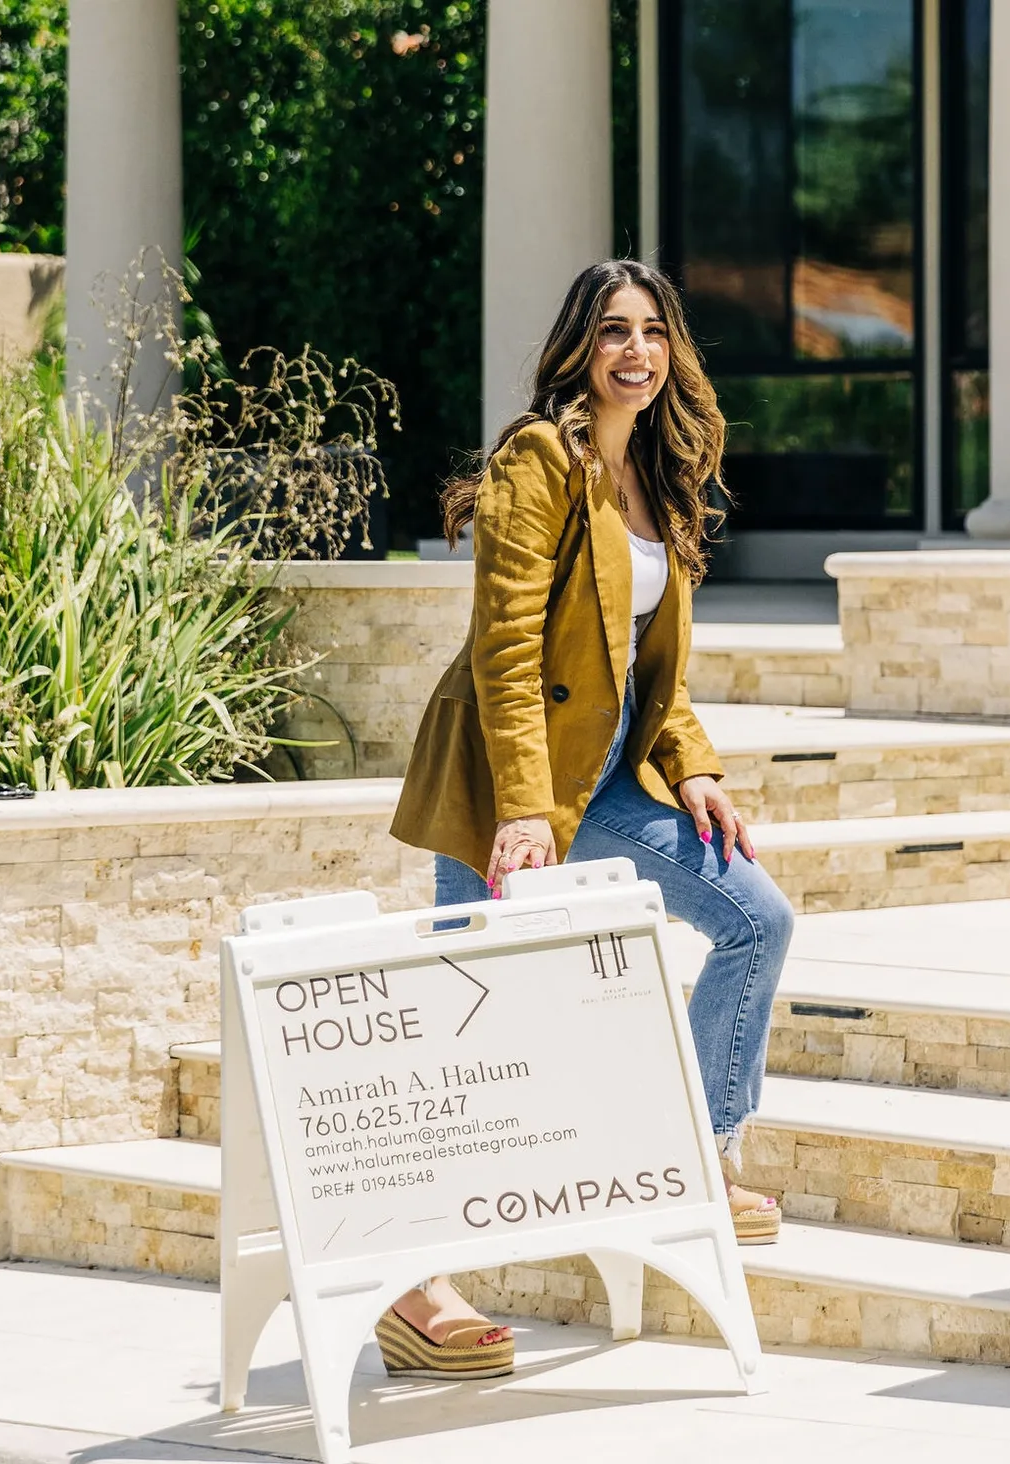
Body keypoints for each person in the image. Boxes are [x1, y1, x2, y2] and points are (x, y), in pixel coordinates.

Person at [375, 259, 795, 1380]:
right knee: (476, 1050)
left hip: (607, 787)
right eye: (613, 330)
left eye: (653, 332)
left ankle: (698, 1152)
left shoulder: (657, 479)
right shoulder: (538, 461)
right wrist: (518, 811)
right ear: (579, 347)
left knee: (756, 919)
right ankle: (416, 1292)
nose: (635, 351)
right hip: (505, 793)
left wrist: (692, 769)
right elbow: (509, 652)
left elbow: (649, 674)